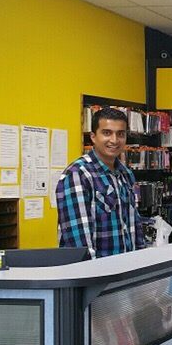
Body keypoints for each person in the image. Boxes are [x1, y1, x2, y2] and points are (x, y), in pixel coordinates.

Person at [56, 107, 145, 258]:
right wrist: (92, 271)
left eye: (120, 134)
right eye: (107, 133)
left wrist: (141, 261)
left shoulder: (126, 174)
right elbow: (79, 243)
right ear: (93, 136)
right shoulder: (78, 174)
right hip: (96, 270)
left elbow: (134, 225)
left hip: (127, 267)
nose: (114, 140)